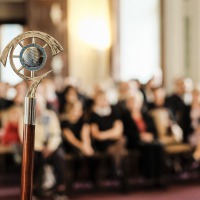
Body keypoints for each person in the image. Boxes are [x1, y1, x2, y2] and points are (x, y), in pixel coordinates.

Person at [19, 95, 67, 200]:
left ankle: (59, 189)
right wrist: (40, 148)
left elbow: (56, 134)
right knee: (33, 160)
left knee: (60, 157)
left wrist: (50, 147)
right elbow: (24, 137)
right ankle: (35, 190)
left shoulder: (51, 115)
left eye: (39, 105)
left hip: (51, 147)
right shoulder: (25, 117)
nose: (37, 108)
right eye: (35, 105)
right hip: (34, 148)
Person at [122, 91, 165, 185]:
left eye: (136, 101)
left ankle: (159, 177)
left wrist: (150, 136)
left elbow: (154, 131)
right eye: (131, 101)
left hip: (149, 140)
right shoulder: (125, 116)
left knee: (159, 146)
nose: (134, 103)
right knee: (149, 148)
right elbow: (126, 132)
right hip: (134, 141)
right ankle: (149, 177)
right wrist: (140, 136)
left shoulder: (146, 115)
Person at [90, 90, 126, 178]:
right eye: (101, 99)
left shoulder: (114, 112)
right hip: (101, 144)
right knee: (121, 148)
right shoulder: (93, 115)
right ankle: (117, 169)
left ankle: (115, 168)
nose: (104, 101)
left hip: (114, 141)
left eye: (105, 99)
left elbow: (119, 131)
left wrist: (104, 135)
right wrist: (111, 133)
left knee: (122, 140)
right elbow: (96, 135)